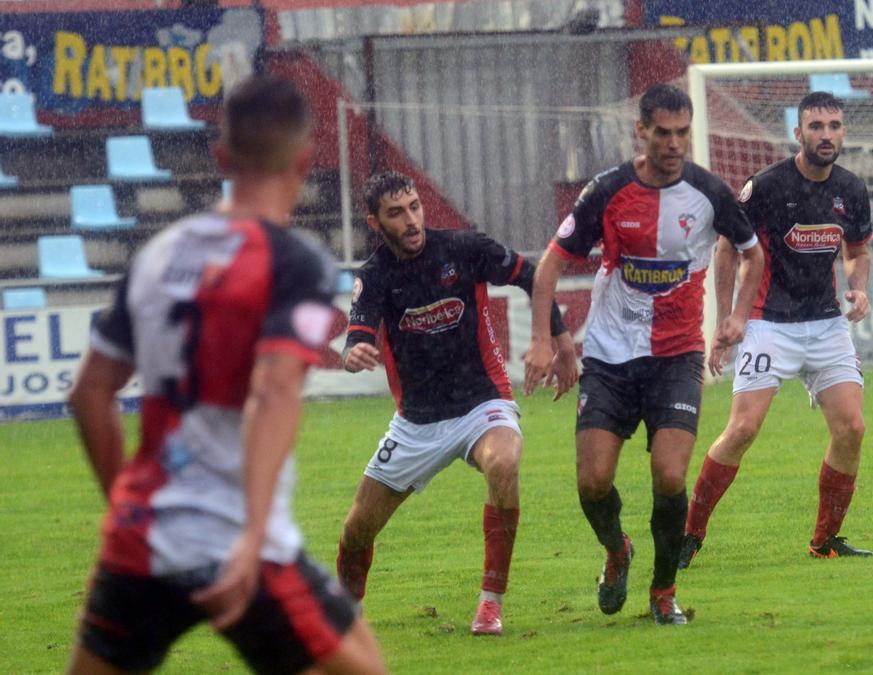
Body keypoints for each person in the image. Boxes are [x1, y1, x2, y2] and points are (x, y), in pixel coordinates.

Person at [66, 75, 387, 674]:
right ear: (304, 160)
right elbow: (272, 390)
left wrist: (127, 510)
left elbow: (89, 394)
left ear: (221, 157)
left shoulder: (158, 253)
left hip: (141, 540)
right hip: (239, 544)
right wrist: (250, 536)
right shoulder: (296, 262)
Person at [523, 84, 764, 625]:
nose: (674, 143)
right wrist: (544, 338)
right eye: (663, 132)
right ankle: (616, 551)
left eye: (683, 132)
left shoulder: (710, 193)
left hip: (676, 356)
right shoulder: (606, 191)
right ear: (642, 131)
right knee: (592, 482)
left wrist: (738, 316)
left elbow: (753, 254)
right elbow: (549, 267)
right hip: (609, 356)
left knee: (670, 477)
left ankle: (663, 591)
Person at [335, 171, 577, 637]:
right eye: (395, 213)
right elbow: (358, 334)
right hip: (416, 424)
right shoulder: (375, 276)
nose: (410, 221)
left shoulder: (464, 250)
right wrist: (353, 354)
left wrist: (558, 339)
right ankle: (346, 617)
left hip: (481, 404)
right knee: (356, 530)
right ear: (374, 222)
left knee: (503, 463)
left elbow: (533, 274)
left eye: (414, 207)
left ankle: (490, 605)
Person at [678, 91, 873, 570]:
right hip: (769, 324)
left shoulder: (851, 189)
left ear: (843, 132)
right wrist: (727, 318)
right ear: (798, 133)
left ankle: (825, 540)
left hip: (827, 324)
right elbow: (727, 249)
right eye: (816, 126)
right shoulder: (764, 186)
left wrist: (859, 288)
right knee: (743, 429)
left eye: (833, 126)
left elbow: (857, 251)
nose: (826, 135)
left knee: (852, 428)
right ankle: (688, 535)